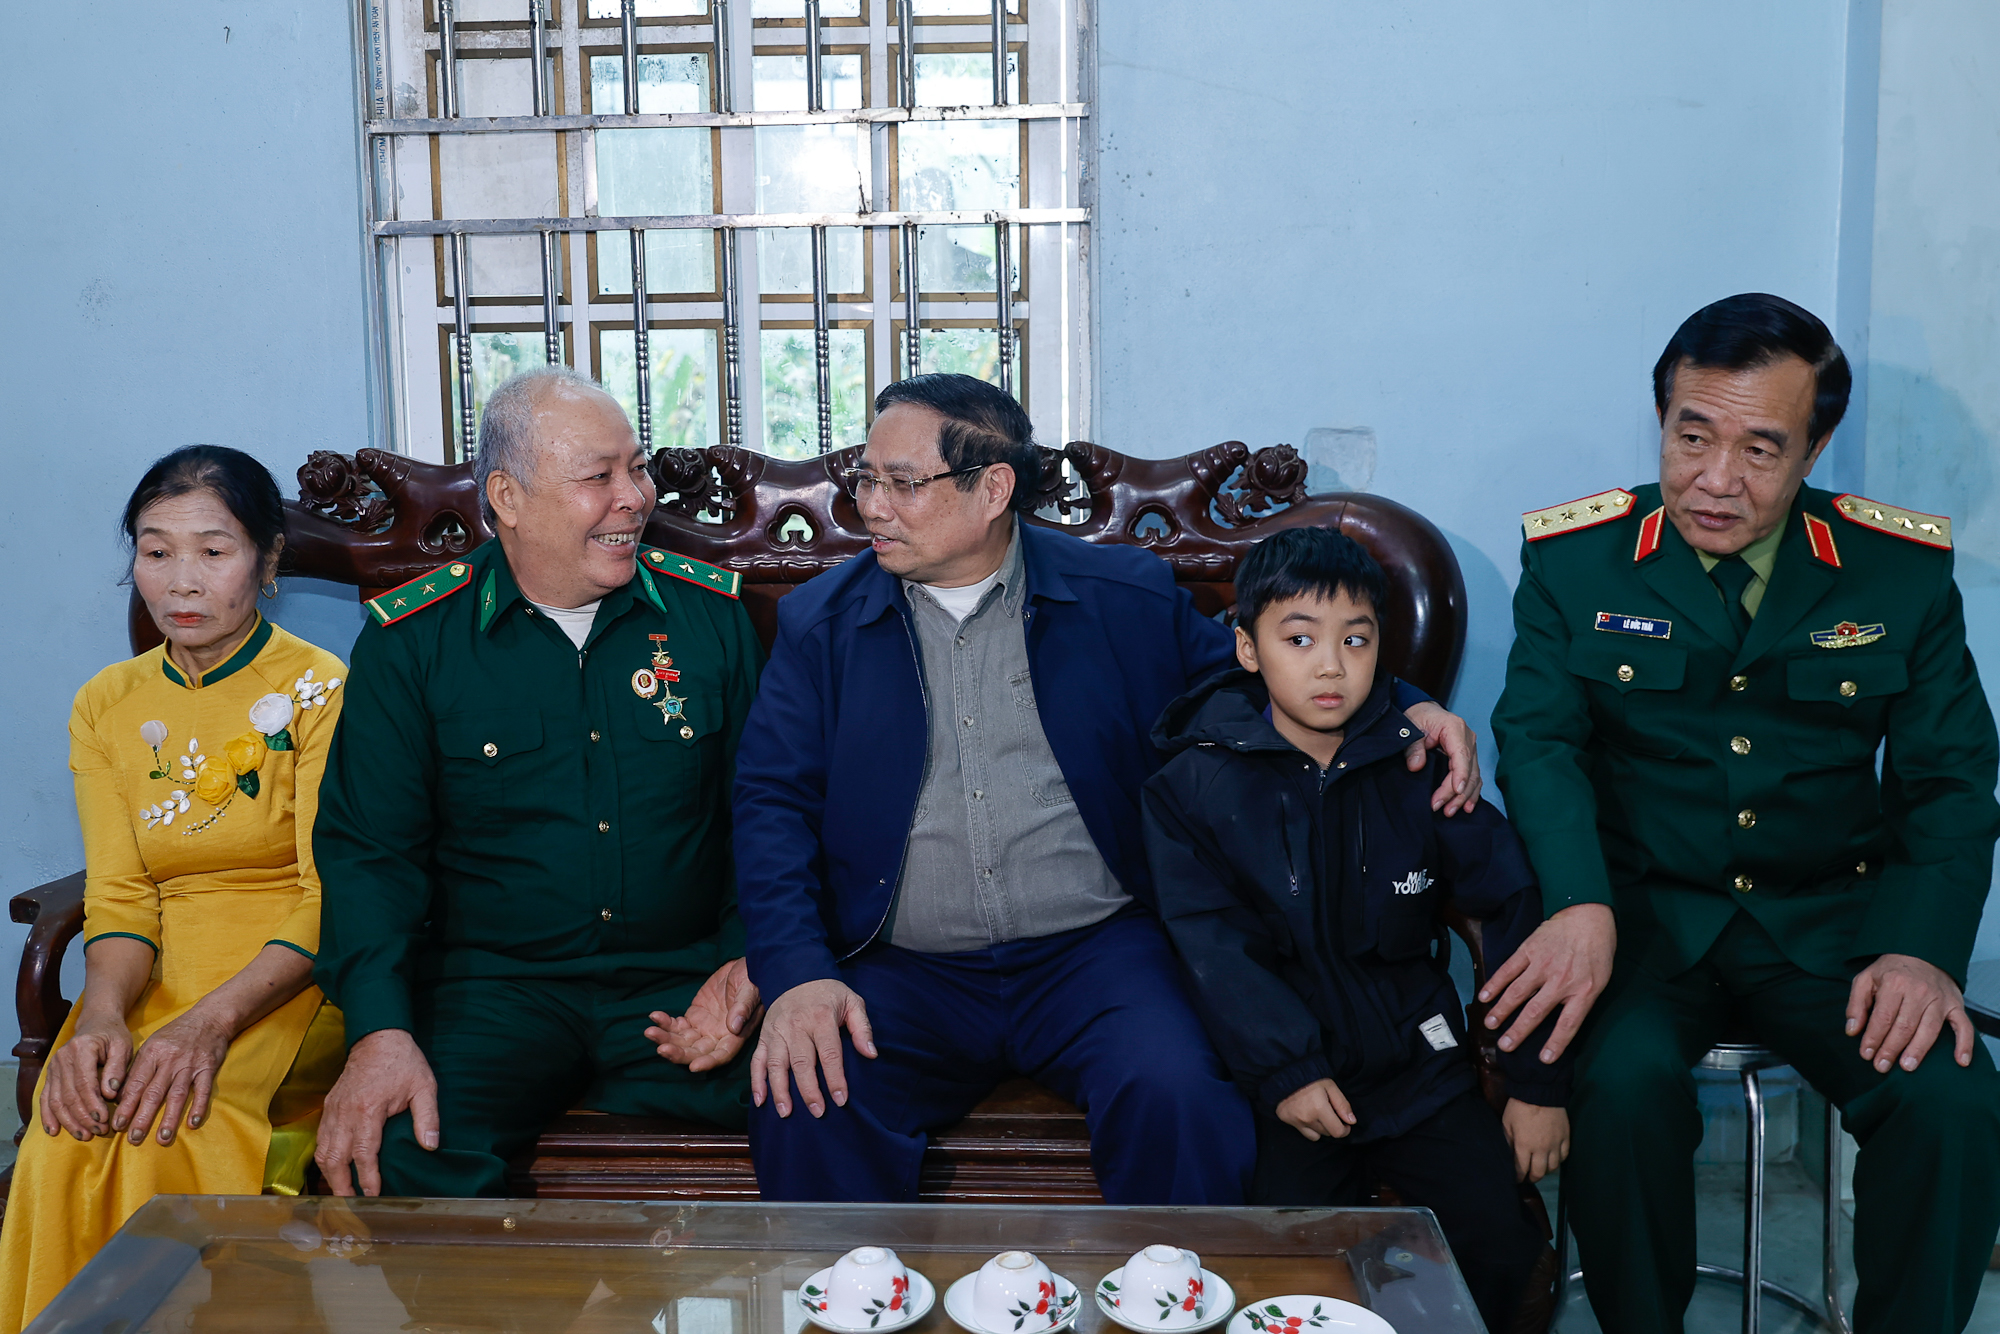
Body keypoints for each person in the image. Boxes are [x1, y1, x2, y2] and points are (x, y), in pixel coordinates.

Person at [735, 372, 1483, 1204]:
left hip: (1095, 957)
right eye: (866, 479)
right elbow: (771, 807)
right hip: (904, 969)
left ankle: (1169, 1287)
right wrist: (798, 974)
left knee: (1181, 1093)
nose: (871, 507)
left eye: (902, 483)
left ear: (993, 489)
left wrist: (1408, 708)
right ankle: (860, 1288)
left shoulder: (1120, 598)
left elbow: (1263, 678)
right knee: (810, 1100)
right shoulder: (822, 625)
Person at [1490, 293, 2000, 1334]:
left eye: (1760, 448)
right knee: (1621, 1088)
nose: (1715, 478)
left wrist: (1919, 949)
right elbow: (1538, 744)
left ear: (1813, 449)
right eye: (1692, 436)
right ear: (1661, 421)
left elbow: (1949, 778)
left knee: (1949, 1101)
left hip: (1830, 926)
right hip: (1642, 924)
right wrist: (1578, 900)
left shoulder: (1895, 572)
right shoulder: (1575, 559)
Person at [310, 366, 764, 1198]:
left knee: (834, 1095)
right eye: (598, 477)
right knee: (402, 1154)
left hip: (683, 986)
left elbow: (765, 819)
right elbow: (370, 856)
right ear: (508, 498)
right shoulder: (413, 644)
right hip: (492, 994)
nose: (634, 498)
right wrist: (379, 1031)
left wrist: (746, 967)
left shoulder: (709, 620)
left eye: (638, 467)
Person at [1144, 526, 1564, 1332]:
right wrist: (1289, 1071)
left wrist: (1536, 1085)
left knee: (1499, 1247)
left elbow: (1512, 907)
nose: (1331, 666)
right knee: (1281, 1270)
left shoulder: (1421, 766)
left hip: (1423, 1073)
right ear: (1248, 648)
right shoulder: (1191, 787)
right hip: (1292, 1087)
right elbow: (1211, 945)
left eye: (1355, 640)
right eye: (1299, 639)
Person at [0, 447, 349, 1332]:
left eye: (213, 551)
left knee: (181, 1122)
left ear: (267, 560)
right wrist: (101, 1017)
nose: (181, 582)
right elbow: (121, 895)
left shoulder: (321, 689)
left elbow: (330, 893)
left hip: (293, 972)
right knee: (67, 1129)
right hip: (151, 969)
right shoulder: (106, 703)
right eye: (156, 552)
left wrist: (210, 1024)